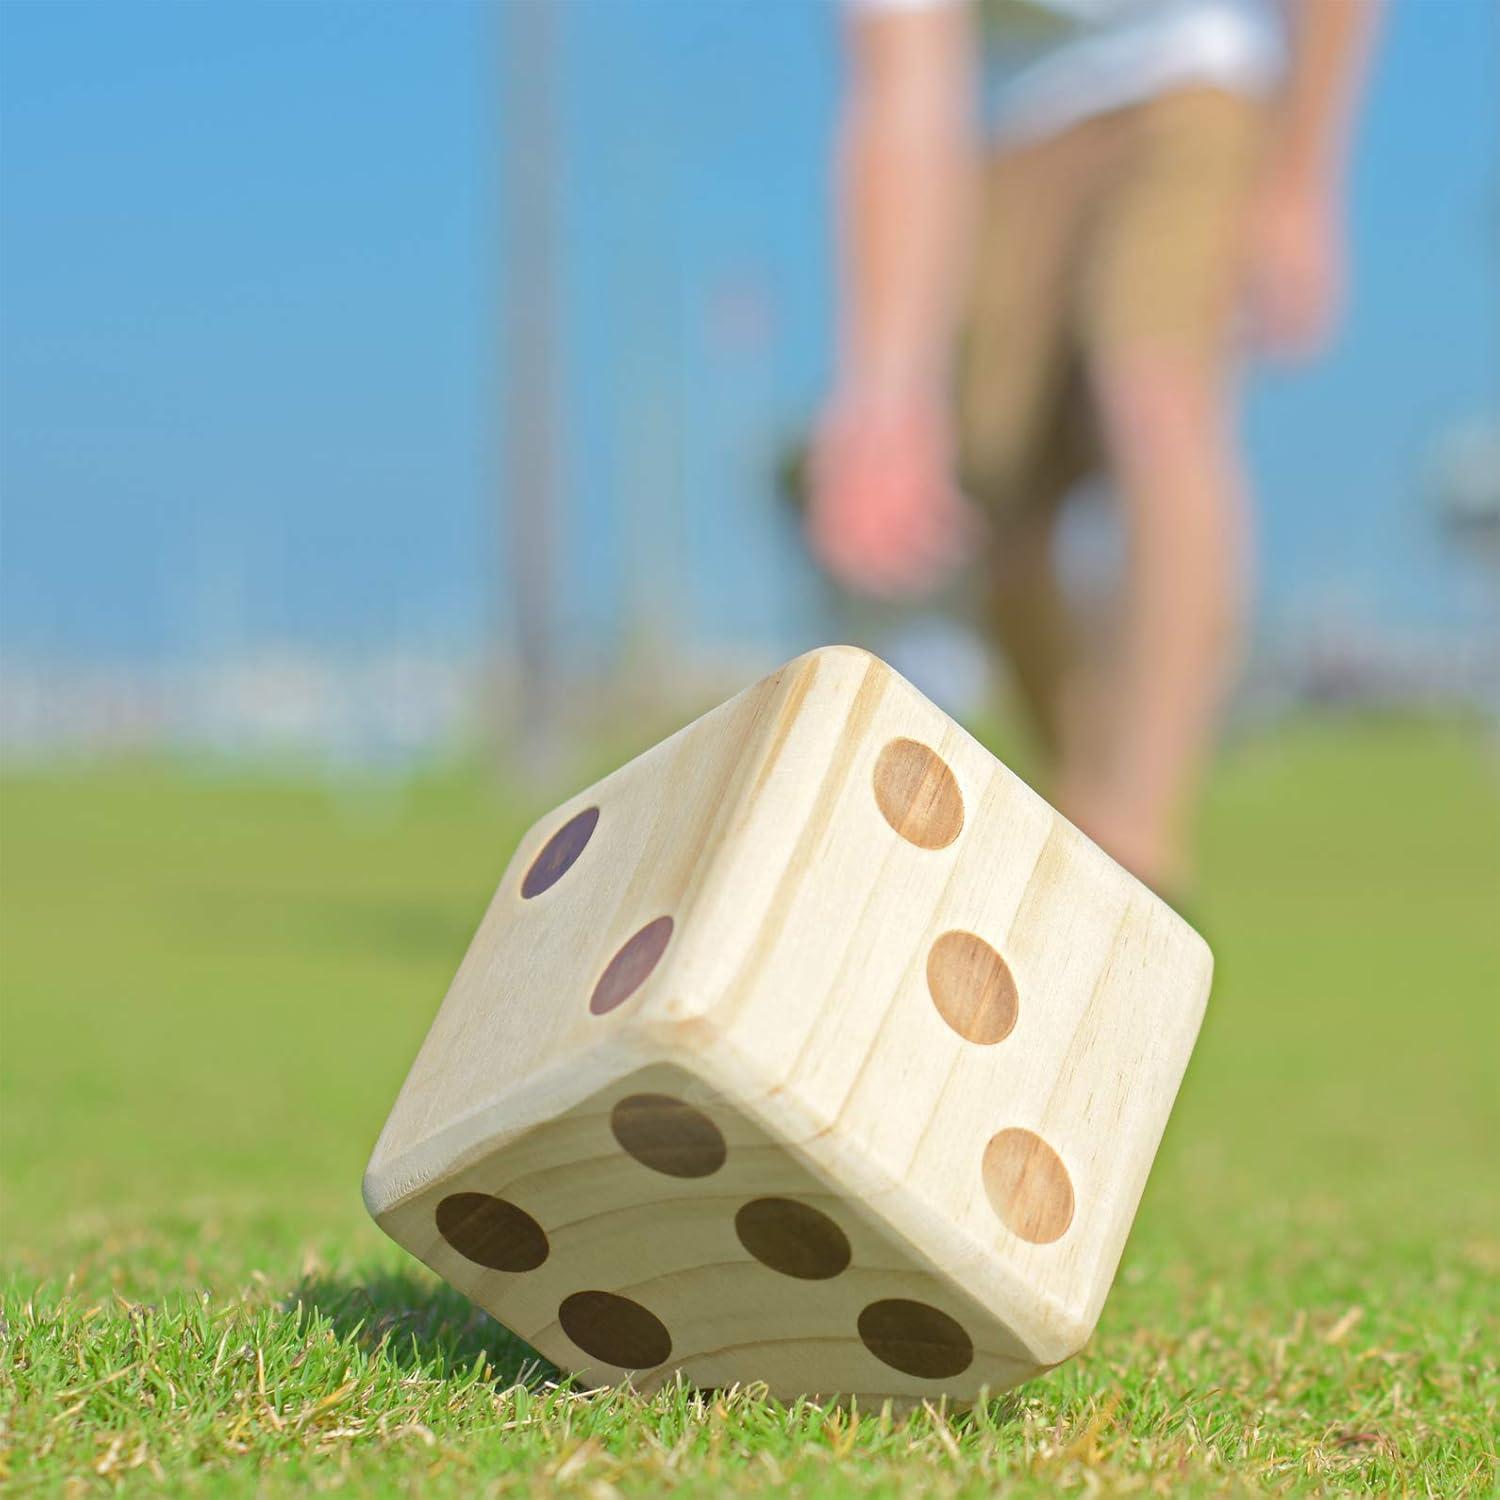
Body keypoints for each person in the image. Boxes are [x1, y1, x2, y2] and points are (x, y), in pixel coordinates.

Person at [808, 0, 1379, 896]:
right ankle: (1081, 812)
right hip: (1020, 119)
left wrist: (1301, 178)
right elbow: (901, 86)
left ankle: (1137, 839)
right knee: (984, 483)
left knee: (1154, 397)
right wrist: (887, 395)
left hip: (1200, 72)